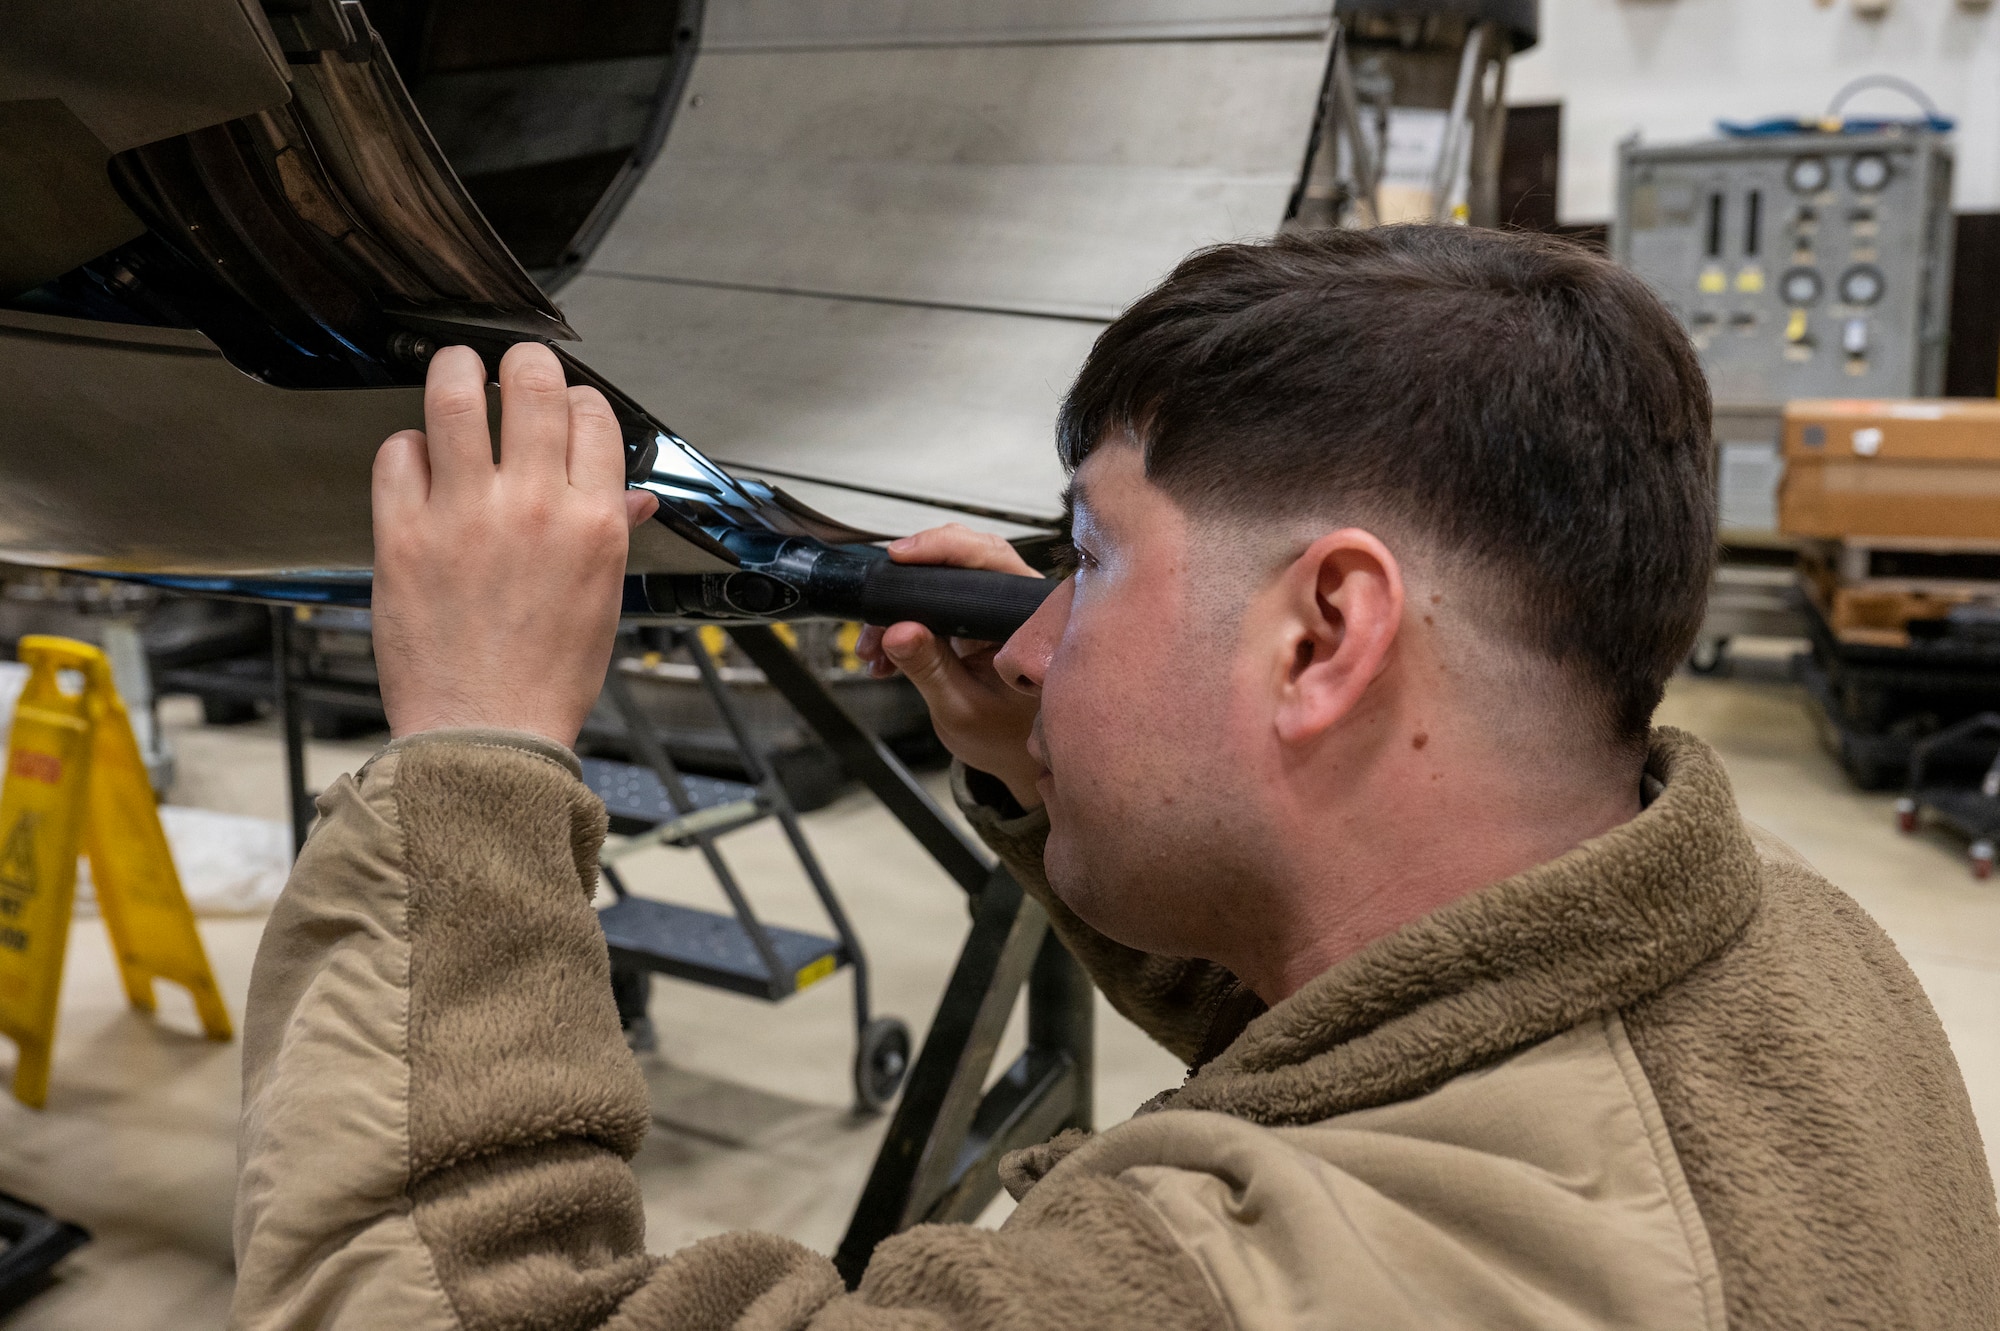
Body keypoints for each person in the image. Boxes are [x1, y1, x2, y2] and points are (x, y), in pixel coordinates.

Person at [230, 226, 1998, 1331]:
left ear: (1323, 636)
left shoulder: (1212, 1294)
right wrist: (1083, 769)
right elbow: (1391, 1040)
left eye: (1091, 553)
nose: (1040, 620)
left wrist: (473, 749)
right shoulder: (1798, 949)